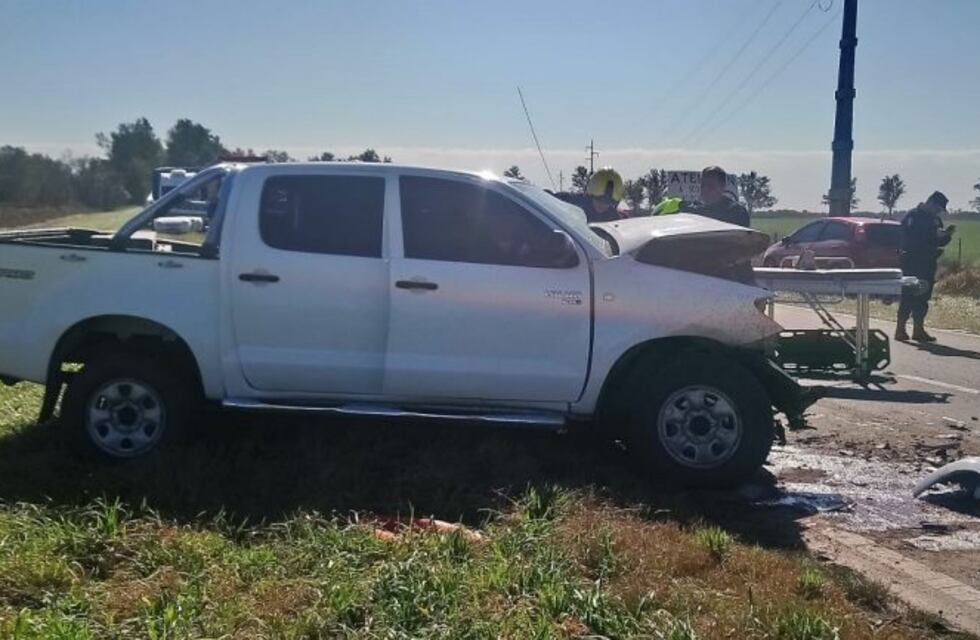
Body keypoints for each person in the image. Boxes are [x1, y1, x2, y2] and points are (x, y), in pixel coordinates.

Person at [895, 191, 955, 342]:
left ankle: (918, 329)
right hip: (912, 261)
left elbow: (936, 240)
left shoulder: (935, 220)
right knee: (908, 294)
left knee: (923, 295)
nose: (938, 212)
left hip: (928, 262)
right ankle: (900, 329)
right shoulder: (912, 216)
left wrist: (946, 237)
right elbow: (909, 239)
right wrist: (930, 237)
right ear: (931, 203)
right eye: (938, 208)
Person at [652, 166, 750, 227]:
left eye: (711, 186)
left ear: (723, 187)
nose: (705, 190)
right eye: (703, 185)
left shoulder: (737, 213)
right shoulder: (691, 209)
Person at [553, 167, 625, 223]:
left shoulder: (615, 219)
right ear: (590, 195)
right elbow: (549, 200)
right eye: (599, 199)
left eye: (608, 201)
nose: (602, 204)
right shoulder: (577, 203)